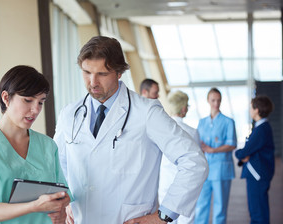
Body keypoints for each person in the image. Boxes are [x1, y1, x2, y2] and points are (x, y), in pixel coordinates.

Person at [54, 36, 208, 224]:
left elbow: (194, 161)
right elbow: (57, 165)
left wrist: (163, 215)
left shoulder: (147, 113)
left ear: (119, 73)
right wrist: (65, 200)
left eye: (102, 74)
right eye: (86, 72)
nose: (92, 82)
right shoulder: (70, 114)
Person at [0, 65, 72, 224]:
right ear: (6, 98)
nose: (35, 109)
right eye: (28, 100)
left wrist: (62, 208)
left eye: (40, 102)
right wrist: (33, 206)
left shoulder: (48, 146)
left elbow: (63, 195)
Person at [194, 87, 237, 224]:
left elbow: (232, 144)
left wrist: (213, 150)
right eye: (213, 100)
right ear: (208, 101)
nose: (216, 103)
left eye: (218, 100)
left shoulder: (228, 122)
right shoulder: (202, 122)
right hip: (205, 170)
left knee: (220, 206)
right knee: (201, 204)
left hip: (221, 170)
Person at [158, 90, 200, 224]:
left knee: (165, 220)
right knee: (186, 220)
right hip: (185, 184)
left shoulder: (160, 130)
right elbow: (197, 161)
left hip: (165, 182)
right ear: (183, 108)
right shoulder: (192, 132)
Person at [235, 96, 275, 224]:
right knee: (259, 210)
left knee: (257, 213)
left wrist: (238, 153)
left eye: (251, 107)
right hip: (259, 175)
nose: (250, 110)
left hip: (257, 176)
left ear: (257, 110)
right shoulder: (262, 127)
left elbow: (243, 152)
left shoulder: (261, 129)